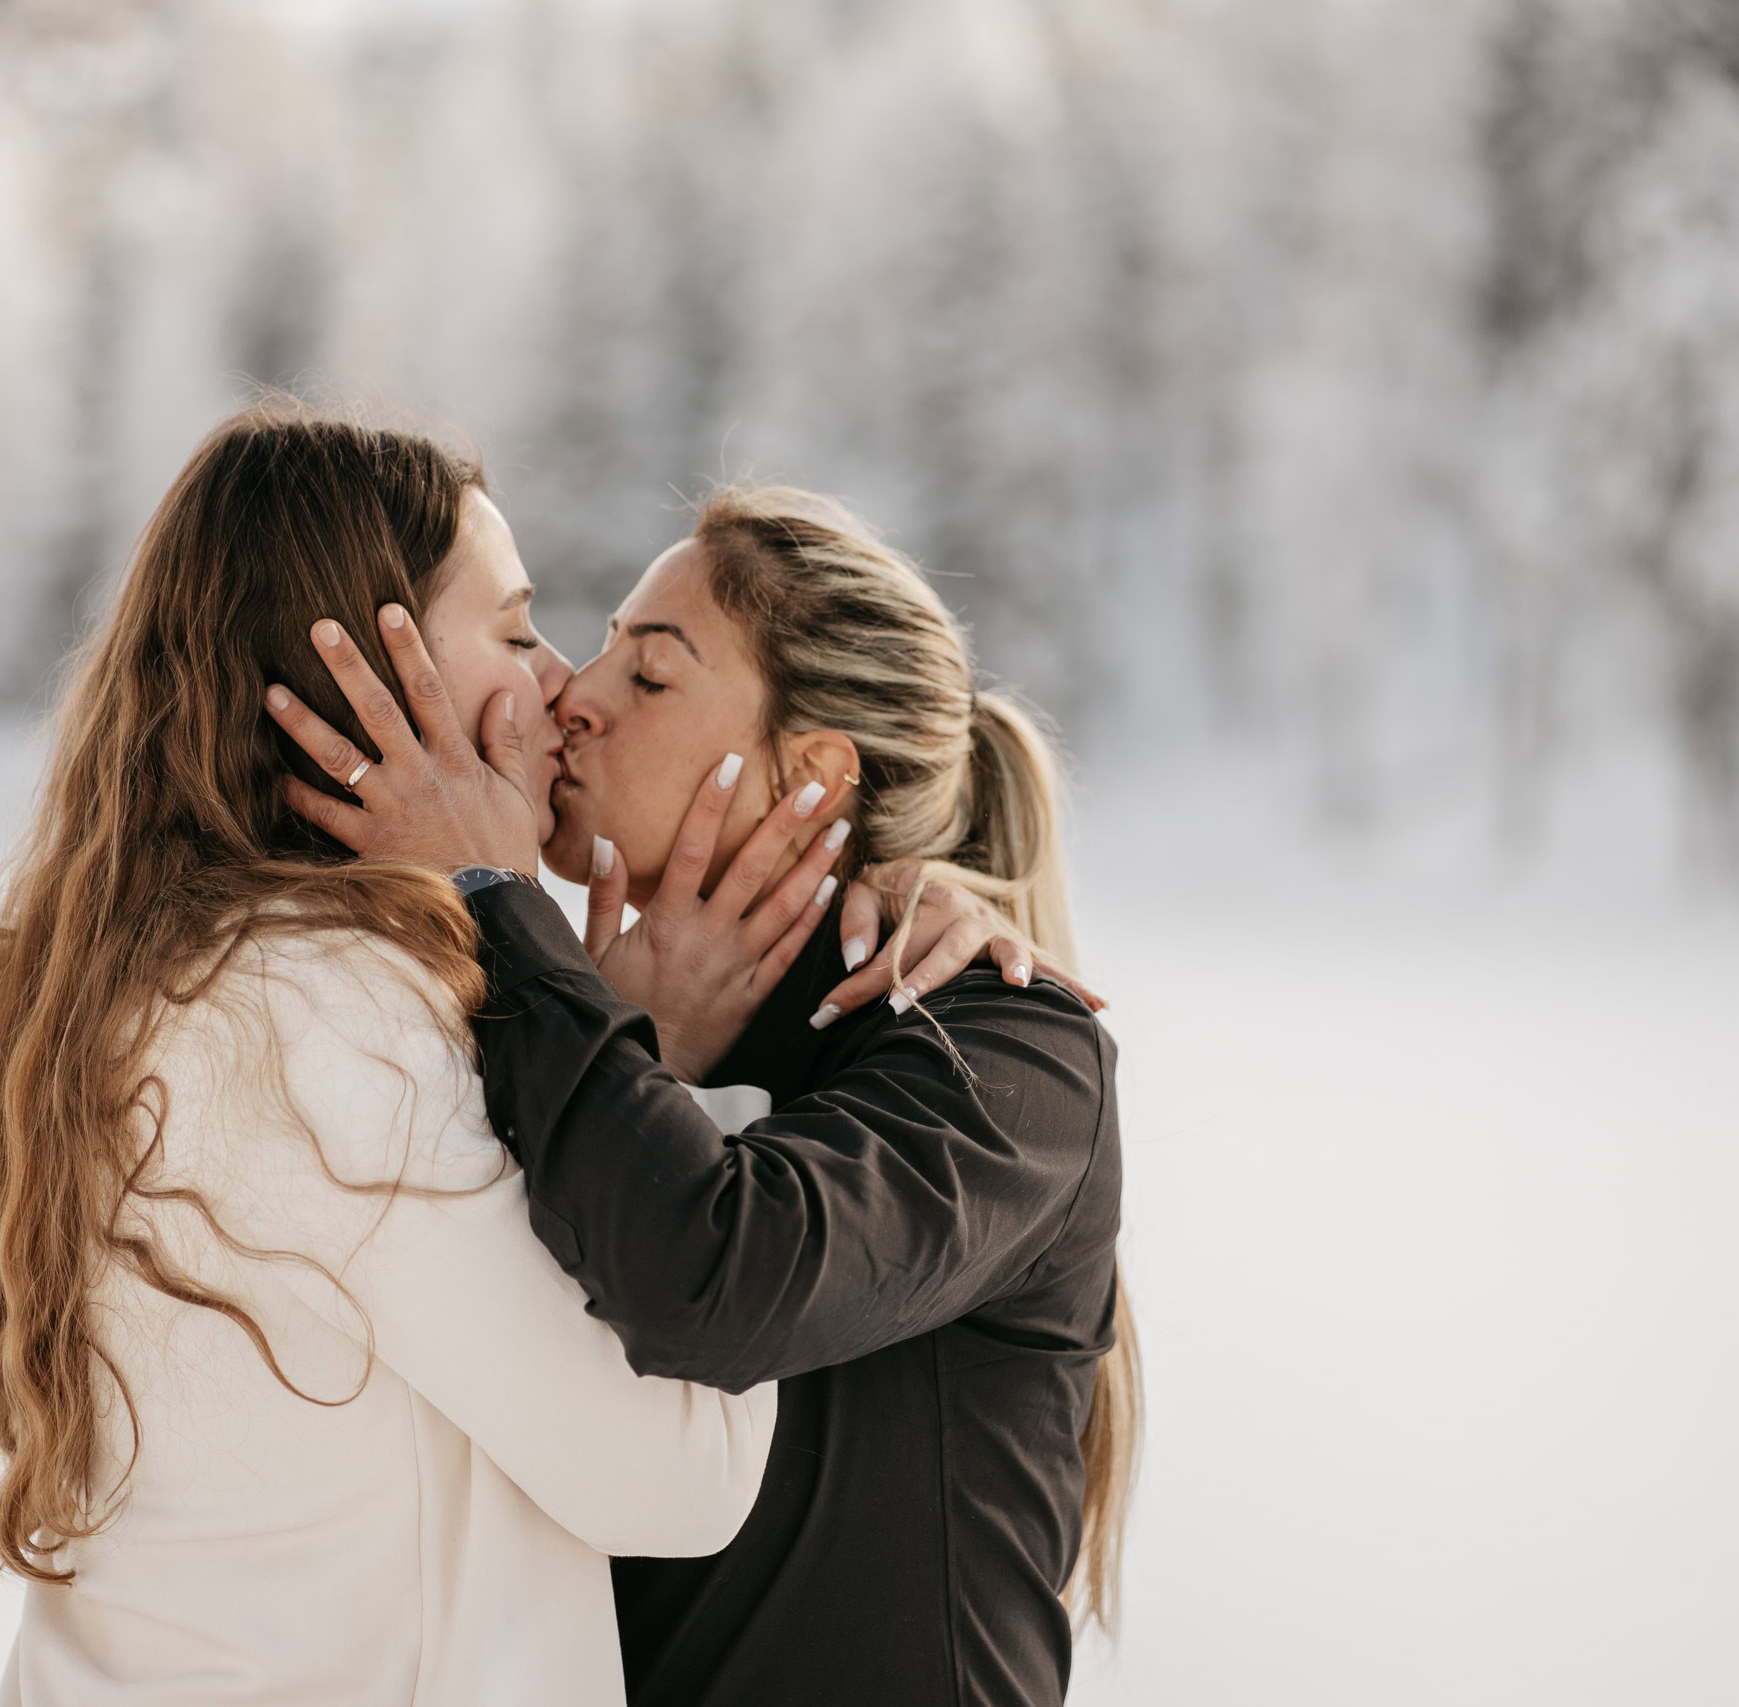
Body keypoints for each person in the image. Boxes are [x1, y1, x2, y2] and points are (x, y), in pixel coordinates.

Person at [0, 407, 804, 1706]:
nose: (560, 681)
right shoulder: (319, 1024)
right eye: (511, 630)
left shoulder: (156, 980)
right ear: (366, 686)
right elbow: (675, 1475)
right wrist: (662, 1076)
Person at [273, 482, 1138, 1707]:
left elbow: (712, 1277)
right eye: (605, 649)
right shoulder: (588, 1033)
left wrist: (494, 894)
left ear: (814, 772)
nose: (574, 695)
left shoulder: (1005, 1055)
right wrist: (636, 1036)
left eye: (651, 674)